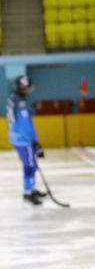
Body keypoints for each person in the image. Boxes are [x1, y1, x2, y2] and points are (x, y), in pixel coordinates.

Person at [6, 75, 47, 205]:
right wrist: (34, 141)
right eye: (29, 87)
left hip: (19, 139)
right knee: (30, 166)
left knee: (30, 165)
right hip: (24, 140)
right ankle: (29, 192)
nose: (31, 89)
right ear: (23, 88)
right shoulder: (21, 104)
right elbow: (26, 125)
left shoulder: (14, 99)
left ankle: (31, 189)